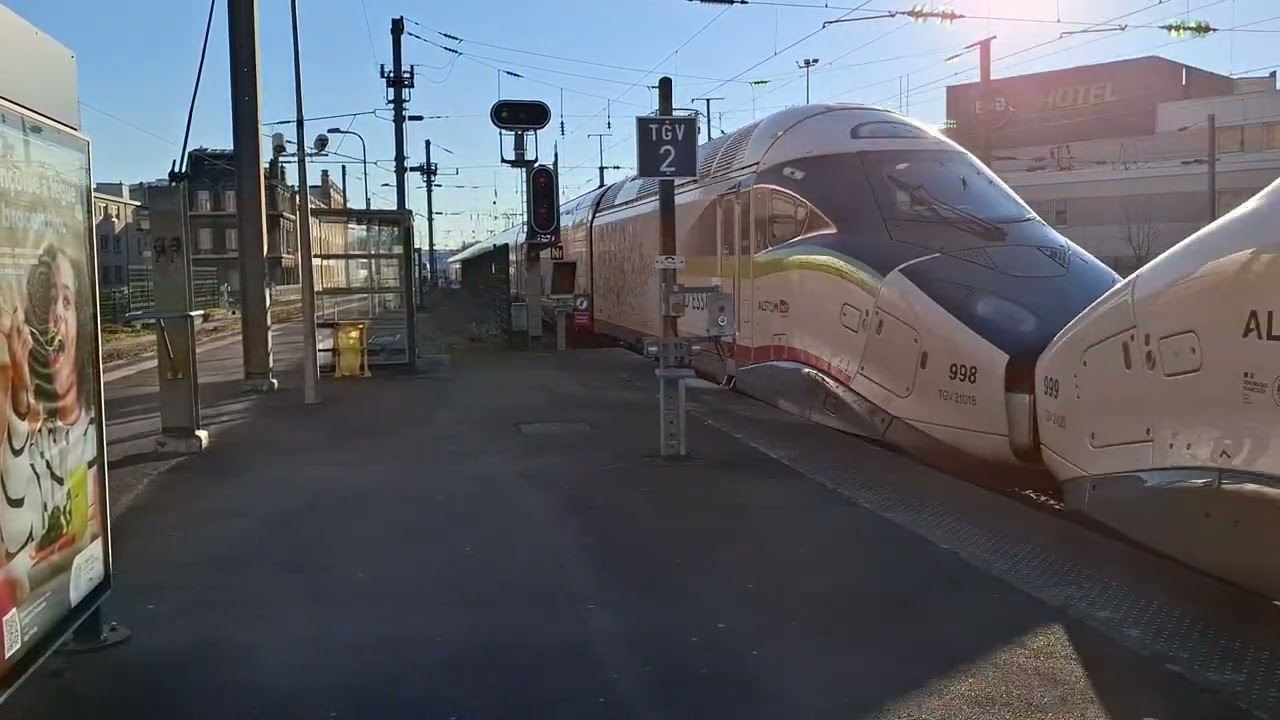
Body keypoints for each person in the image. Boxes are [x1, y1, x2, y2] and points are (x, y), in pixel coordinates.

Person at [0, 243, 99, 571]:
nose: (55, 313)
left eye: (67, 302)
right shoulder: (42, 443)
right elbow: (16, 538)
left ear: (81, 322)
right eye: (50, 301)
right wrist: (20, 392)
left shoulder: (93, 431)